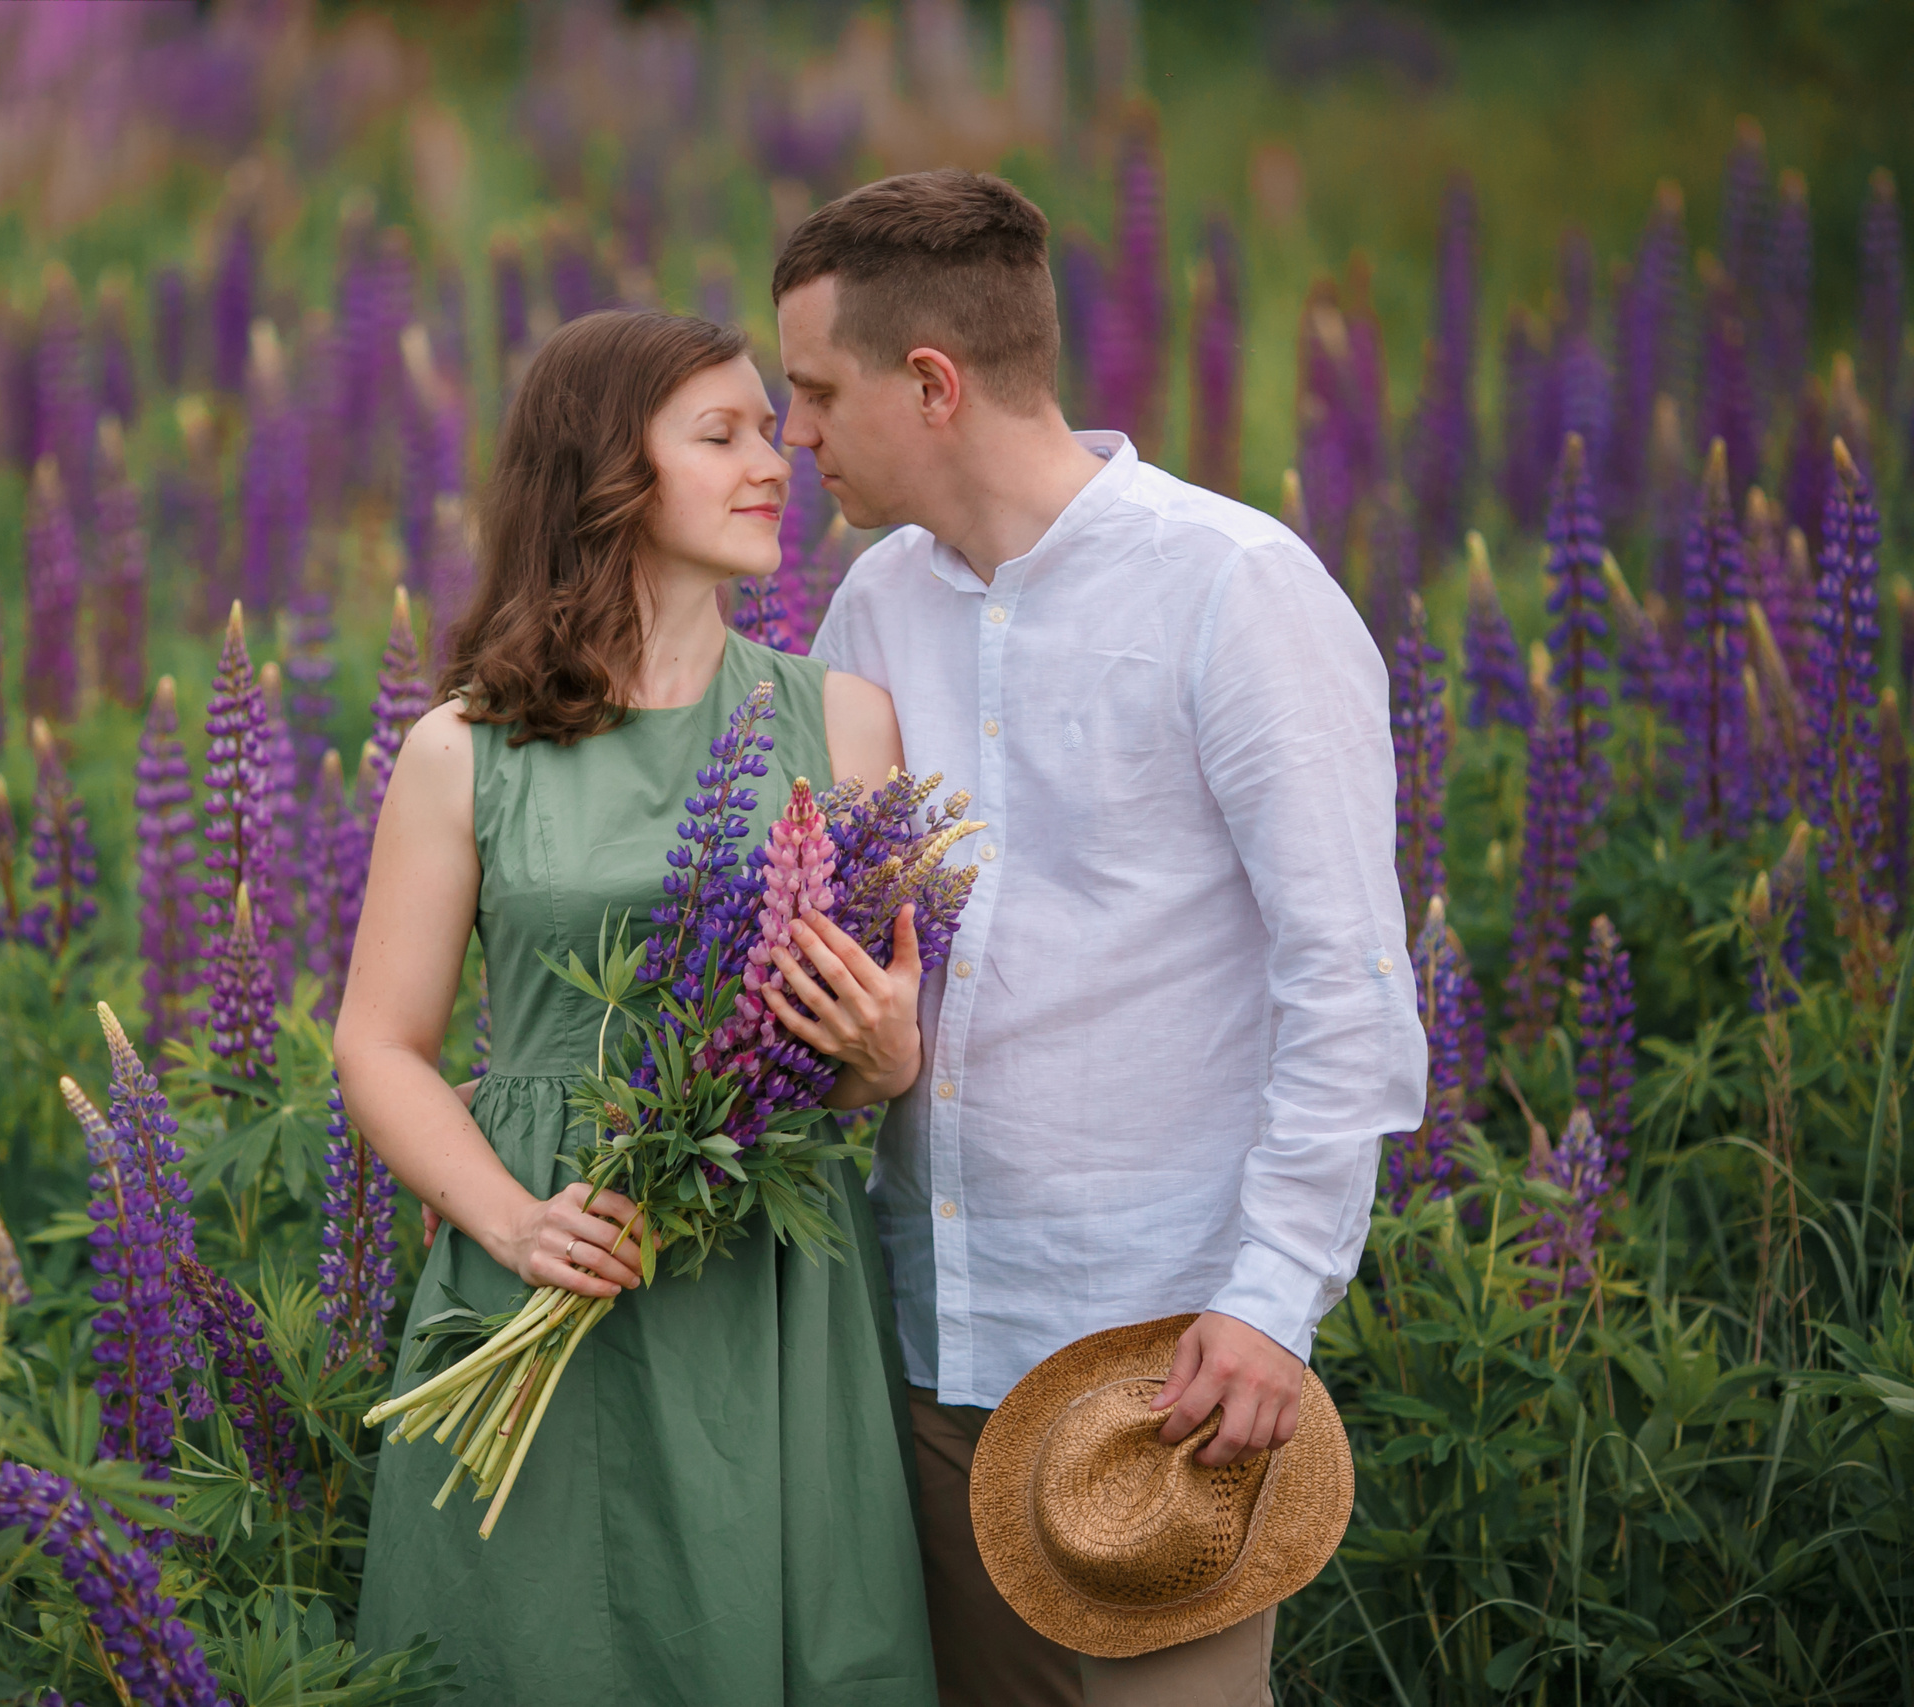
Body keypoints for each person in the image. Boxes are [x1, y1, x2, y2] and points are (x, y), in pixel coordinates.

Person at [771, 170, 1427, 1705]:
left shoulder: (1234, 589)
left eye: (814, 391)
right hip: (927, 1348)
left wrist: (1272, 1303)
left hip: (1167, 1371)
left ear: (928, 384)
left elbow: (1350, 983)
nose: (795, 435)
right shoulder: (870, 611)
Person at [339, 308, 939, 1703]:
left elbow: (861, 1044)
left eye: (767, 428)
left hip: (760, 1264)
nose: (775, 460)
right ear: (609, 474)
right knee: (529, 1644)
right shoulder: (463, 748)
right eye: (719, 435)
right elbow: (379, 1045)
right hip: (544, 1242)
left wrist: (889, 1052)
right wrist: (512, 1220)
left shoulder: (842, 721)